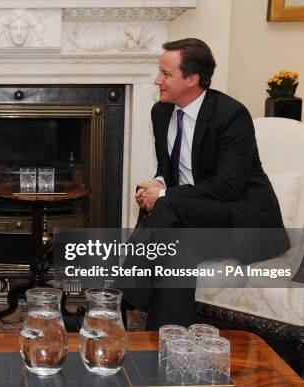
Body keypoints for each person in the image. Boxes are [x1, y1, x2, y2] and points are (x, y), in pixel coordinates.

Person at [121, 38, 289, 330]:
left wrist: (164, 195)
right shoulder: (160, 112)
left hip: (243, 221)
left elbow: (228, 187)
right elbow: (171, 167)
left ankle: (119, 299)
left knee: (169, 206)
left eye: (166, 74)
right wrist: (158, 183)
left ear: (192, 79)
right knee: (176, 249)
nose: (157, 80)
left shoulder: (231, 115)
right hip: (191, 218)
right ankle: (164, 343)